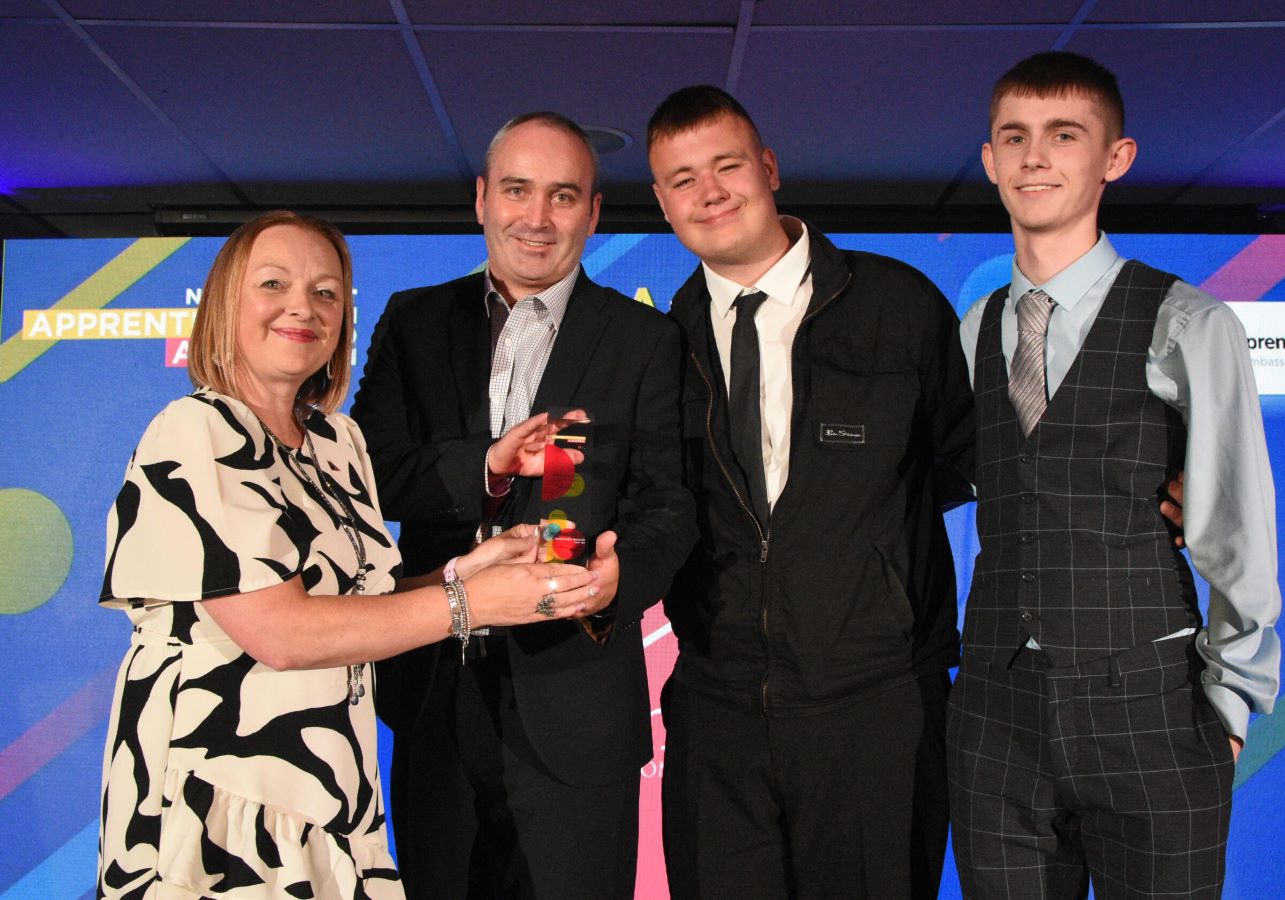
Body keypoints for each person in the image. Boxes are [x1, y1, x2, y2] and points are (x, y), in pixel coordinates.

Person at [96, 211, 599, 898]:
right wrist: (470, 604)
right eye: (273, 284)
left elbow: (360, 606)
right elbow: (283, 632)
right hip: (222, 795)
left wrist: (470, 569)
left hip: (334, 791)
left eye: (326, 292)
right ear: (224, 305)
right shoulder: (195, 431)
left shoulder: (339, 443)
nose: (303, 307)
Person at [950, 51, 1281, 899]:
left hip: (1152, 711)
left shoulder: (1188, 321)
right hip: (994, 714)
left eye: (1064, 135)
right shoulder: (975, 327)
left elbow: (1236, 526)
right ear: (988, 158)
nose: (1034, 157)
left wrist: (1231, 707)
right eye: (1014, 137)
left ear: (1115, 157)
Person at [350, 113, 695, 899]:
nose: (537, 218)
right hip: (435, 695)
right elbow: (374, 473)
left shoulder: (645, 338)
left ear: (593, 213)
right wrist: (489, 466)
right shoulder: (413, 320)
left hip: (580, 703)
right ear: (482, 199)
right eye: (517, 190)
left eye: (563, 196)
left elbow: (670, 506)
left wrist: (617, 584)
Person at [646, 85, 976, 899]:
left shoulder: (898, 304)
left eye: (727, 165)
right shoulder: (656, 343)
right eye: (683, 179)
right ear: (661, 201)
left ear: (769, 168)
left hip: (876, 707)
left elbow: (974, 461)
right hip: (716, 712)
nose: (709, 192)